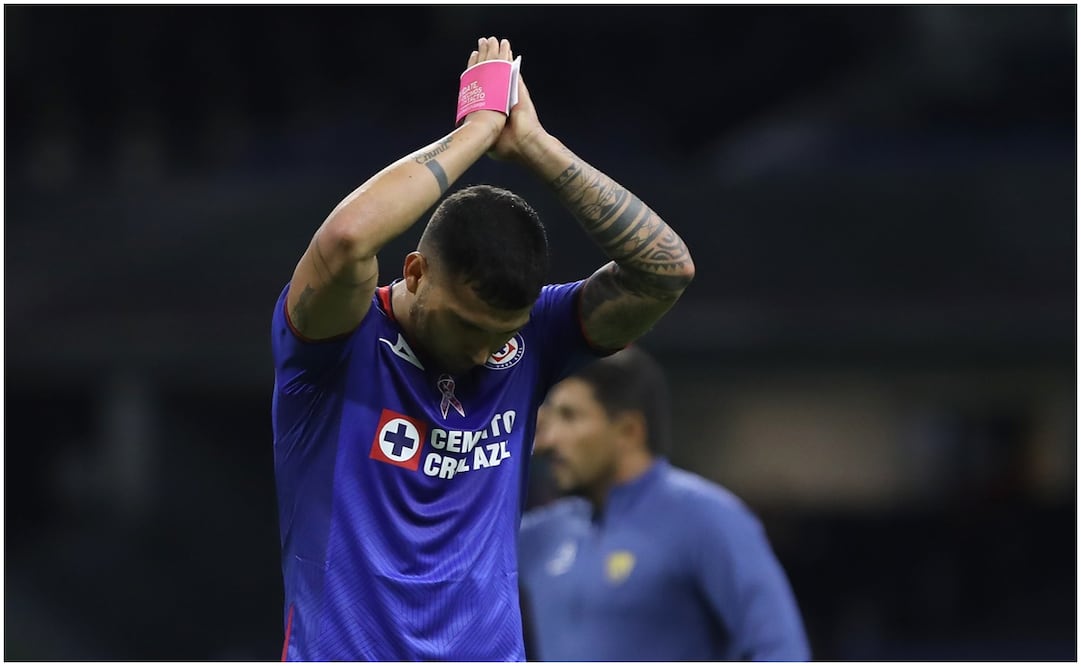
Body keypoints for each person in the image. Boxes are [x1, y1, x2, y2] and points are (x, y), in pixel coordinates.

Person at [269, 37, 694, 661]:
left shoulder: (534, 341)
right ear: (414, 273)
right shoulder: (336, 340)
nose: (484, 353)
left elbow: (666, 271)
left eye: (503, 335)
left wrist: (534, 147)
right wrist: (478, 130)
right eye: (469, 328)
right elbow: (344, 241)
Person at [519, 347, 810, 661]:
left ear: (629, 431)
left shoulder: (707, 517)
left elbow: (779, 649)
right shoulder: (542, 535)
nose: (549, 440)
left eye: (569, 417)